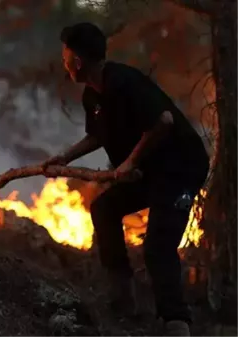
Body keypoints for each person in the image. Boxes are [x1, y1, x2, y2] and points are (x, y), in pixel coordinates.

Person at [47, 22, 210, 337]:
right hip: (149, 171)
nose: (64, 62)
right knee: (104, 209)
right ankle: (123, 301)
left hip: (181, 171)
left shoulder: (124, 82)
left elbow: (161, 122)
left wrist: (130, 161)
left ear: (78, 61)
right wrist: (64, 158)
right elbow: (97, 136)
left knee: (157, 247)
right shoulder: (92, 97)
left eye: (66, 55)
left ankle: (177, 324)